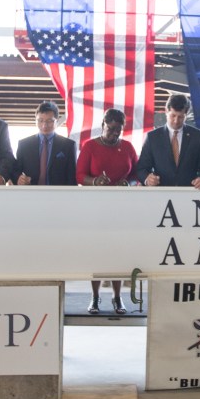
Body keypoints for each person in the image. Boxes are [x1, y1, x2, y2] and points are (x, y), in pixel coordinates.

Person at [77, 108, 139, 314]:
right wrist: (94, 181)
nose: (114, 134)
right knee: (97, 252)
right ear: (103, 125)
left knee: (117, 253)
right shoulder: (90, 146)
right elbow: (79, 175)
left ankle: (117, 297)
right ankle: (94, 297)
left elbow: (137, 173)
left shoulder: (128, 147)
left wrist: (127, 183)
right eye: (111, 129)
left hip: (121, 209)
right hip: (96, 208)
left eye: (118, 131)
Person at [136, 93, 200, 189]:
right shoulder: (152, 137)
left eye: (181, 117)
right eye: (173, 116)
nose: (176, 121)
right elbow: (141, 168)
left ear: (187, 114)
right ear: (166, 111)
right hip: (161, 194)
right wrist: (147, 179)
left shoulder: (198, 136)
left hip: (190, 192)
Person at [15, 100, 77, 186]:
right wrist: (19, 178)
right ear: (35, 120)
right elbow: (15, 171)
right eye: (40, 121)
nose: (44, 125)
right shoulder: (24, 145)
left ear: (57, 121)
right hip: (30, 193)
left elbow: (72, 177)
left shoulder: (68, 145)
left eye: (49, 121)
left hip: (58, 195)